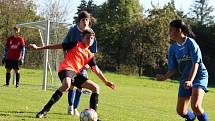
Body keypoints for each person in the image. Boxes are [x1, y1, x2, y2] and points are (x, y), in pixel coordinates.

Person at [30, 29, 115, 121]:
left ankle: (94, 116)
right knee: (66, 85)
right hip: (65, 69)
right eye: (88, 38)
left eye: (92, 38)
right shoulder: (76, 44)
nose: (90, 40)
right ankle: (45, 110)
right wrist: (39, 48)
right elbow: (58, 46)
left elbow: (96, 70)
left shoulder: (90, 55)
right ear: (82, 38)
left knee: (96, 88)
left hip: (75, 74)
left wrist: (105, 81)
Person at [156, 20, 208, 121]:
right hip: (185, 79)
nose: (169, 33)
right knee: (181, 111)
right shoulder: (173, 48)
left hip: (198, 76)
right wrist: (164, 77)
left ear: (179, 30)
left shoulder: (191, 43)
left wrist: (190, 80)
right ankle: (191, 118)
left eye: (171, 30)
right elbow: (173, 68)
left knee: (196, 106)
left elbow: (196, 63)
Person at [63, 11, 97, 116]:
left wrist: (88, 63)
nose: (86, 22)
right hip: (72, 65)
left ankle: (76, 108)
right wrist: (66, 57)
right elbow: (64, 45)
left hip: (82, 66)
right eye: (83, 20)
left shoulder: (91, 33)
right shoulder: (73, 31)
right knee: (71, 86)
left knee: (80, 87)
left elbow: (92, 51)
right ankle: (70, 106)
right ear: (80, 21)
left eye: (87, 20)